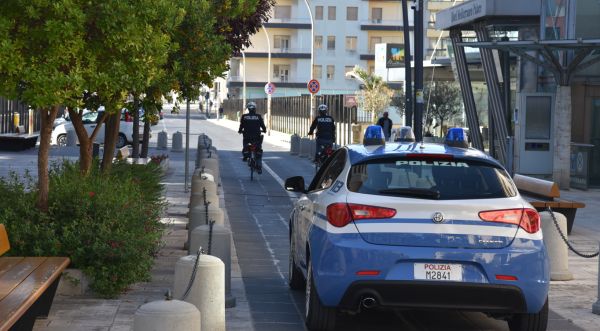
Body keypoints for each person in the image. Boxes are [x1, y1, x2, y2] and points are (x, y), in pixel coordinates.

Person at [238, 102, 266, 171]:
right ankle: (259, 166)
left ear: (248, 109)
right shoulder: (258, 116)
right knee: (258, 148)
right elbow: (262, 125)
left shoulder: (244, 116)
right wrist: (264, 130)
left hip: (247, 137)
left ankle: (245, 156)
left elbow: (241, 125)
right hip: (256, 137)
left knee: (245, 145)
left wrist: (240, 131)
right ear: (255, 109)